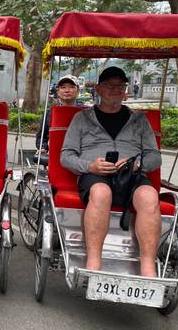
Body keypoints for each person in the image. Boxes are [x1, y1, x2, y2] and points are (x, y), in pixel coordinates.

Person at [60, 66, 161, 277]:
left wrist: (136, 164)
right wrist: (90, 166)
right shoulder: (82, 118)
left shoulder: (139, 120)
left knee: (150, 196)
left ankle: (148, 269)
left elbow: (155, 157)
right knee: (101, 193)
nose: (115, 90)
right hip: (95, 175)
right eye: (109, 85)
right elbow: (66, 156)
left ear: (125, 90)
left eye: (120, 86)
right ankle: (94, 263)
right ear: (98, 88)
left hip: (131, 175)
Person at [37, 74, 80, 151]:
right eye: (63, 87)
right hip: (55, 153)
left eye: (71, 87)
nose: (67, 90)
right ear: (58, 91)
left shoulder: (85, 113)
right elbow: (41, 137)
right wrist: (43, 147)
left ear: (78, 91)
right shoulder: (50, 113)